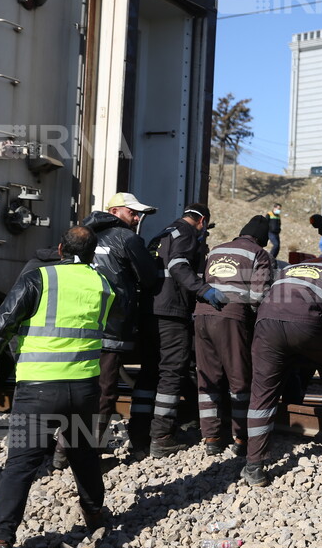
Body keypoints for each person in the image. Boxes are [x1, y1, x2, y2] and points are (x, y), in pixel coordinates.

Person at [0, 227, 115, 548]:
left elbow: (2, 322)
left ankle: (1, 540)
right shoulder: (103, 283)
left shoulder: (39, 278)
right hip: (82, 389)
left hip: (38, 391)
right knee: (84, 453)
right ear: (92, 251)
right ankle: (94, 513)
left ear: (59, 249)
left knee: (21, 464)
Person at [241, 253, 322, 486]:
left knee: (261, 395)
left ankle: (254, 466)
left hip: (266, 323)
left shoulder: (292, 268)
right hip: (305, 321)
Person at [135, 204, 226, 459]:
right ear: (203, 221)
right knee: (172, 372)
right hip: (171, 312)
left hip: (150, 311)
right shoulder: (185, 232)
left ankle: (139, 431)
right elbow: (178, 266)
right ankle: (162, 436)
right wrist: (202, 289)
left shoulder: (162, 234)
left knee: (149, 373)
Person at [80, 193, 157, 456]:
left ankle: (59, 451)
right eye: (132, 212)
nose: (137, 218)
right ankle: (86, 455)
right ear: (114, 211)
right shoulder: (127, 238)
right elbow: (149, 278)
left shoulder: (82, 234)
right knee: (104, 394)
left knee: (73, 390)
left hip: (76, 327)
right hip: (110, 329)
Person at [195, 215, 274, 457]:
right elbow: (259, 295)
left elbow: (203, 280)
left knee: (208, 377)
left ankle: (211, 437)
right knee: (238, 379)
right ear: (261, 238)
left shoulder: (217, 249)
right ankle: (240, 438)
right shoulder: (258, 253)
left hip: (201, 315)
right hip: (231, 317)